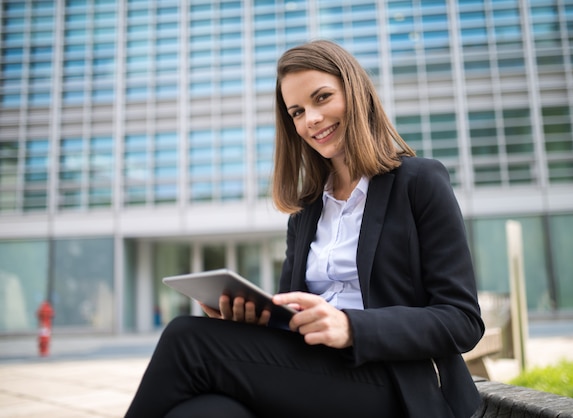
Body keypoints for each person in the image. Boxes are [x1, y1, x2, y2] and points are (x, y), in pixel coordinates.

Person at [125, 40, 484, 418]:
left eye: (322, 98)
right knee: (206, 412)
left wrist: (351, 327)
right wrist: (253, 319)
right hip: (314, 372)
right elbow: (290, 314)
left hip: (396, 384)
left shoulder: (419, 181)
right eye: (297, 111)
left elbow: (462, 320)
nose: (310, 119)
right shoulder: (307, 211)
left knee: (187, 339)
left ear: (355, 93)